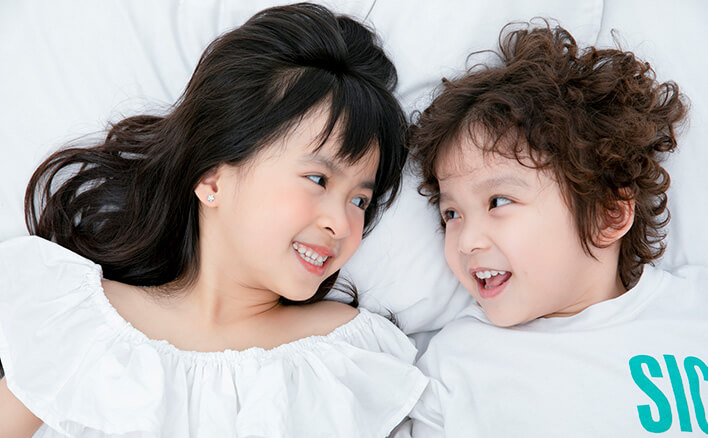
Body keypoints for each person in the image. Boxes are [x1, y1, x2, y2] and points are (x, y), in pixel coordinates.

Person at [0, 3, 428, 436]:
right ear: (212, 180)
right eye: (318, 179)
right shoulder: (79, 324)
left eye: (359, 201)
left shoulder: (347, 359)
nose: (342, 224)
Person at [404, 21, 708, 436]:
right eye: (451, 214)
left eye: (498, 202)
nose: (467, 242)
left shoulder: (694, 311)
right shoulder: (459, 363)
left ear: (608, 215)